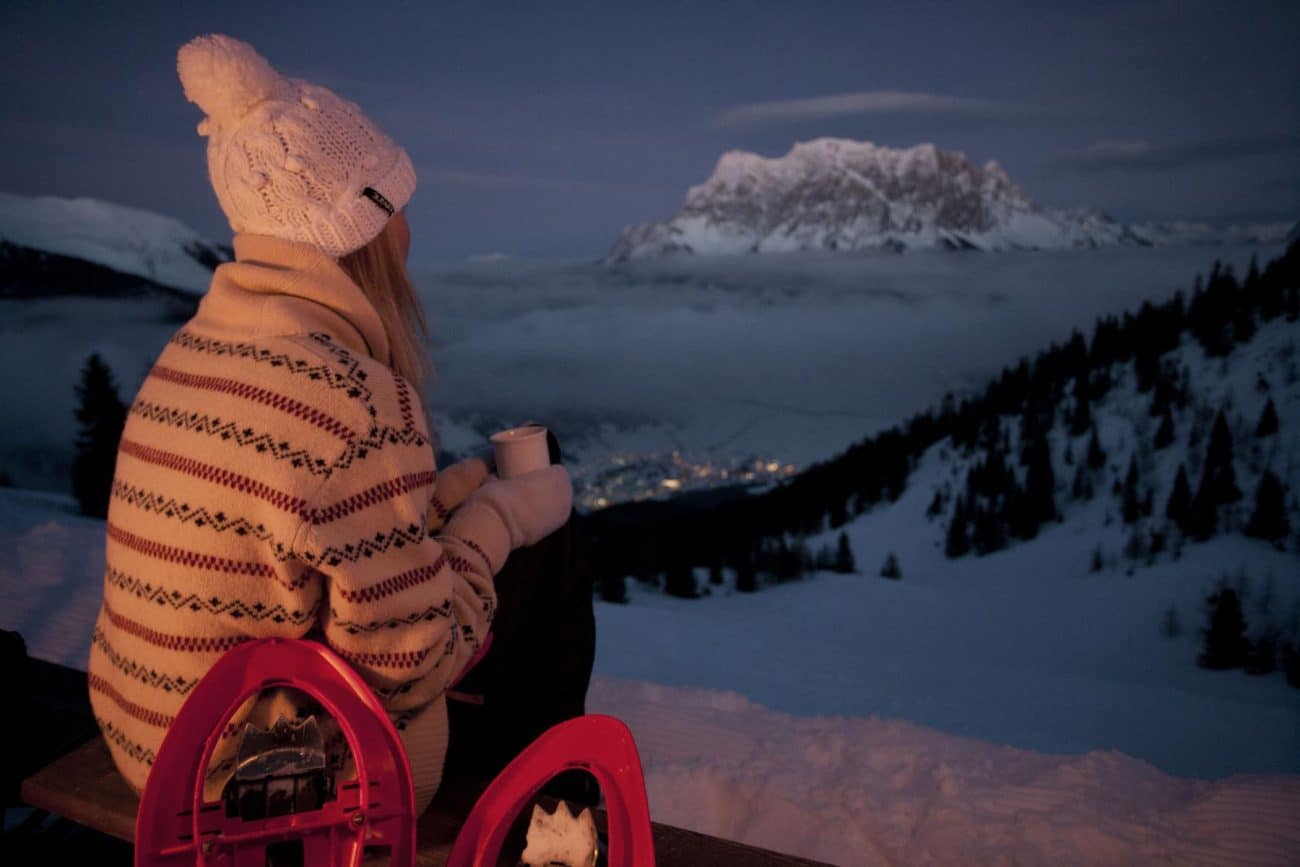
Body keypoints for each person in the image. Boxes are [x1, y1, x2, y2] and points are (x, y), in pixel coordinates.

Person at [86, 33, 575, 813]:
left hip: (150, 737)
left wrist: (444, 503)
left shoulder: (193, 352)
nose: (411, 227)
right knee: (548, 563)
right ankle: (550, 815)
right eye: (399, 199)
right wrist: (502, 520)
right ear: (366, 222)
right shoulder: (353, 398)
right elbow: (408, 662)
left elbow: (310, 536)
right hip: (261, 789)